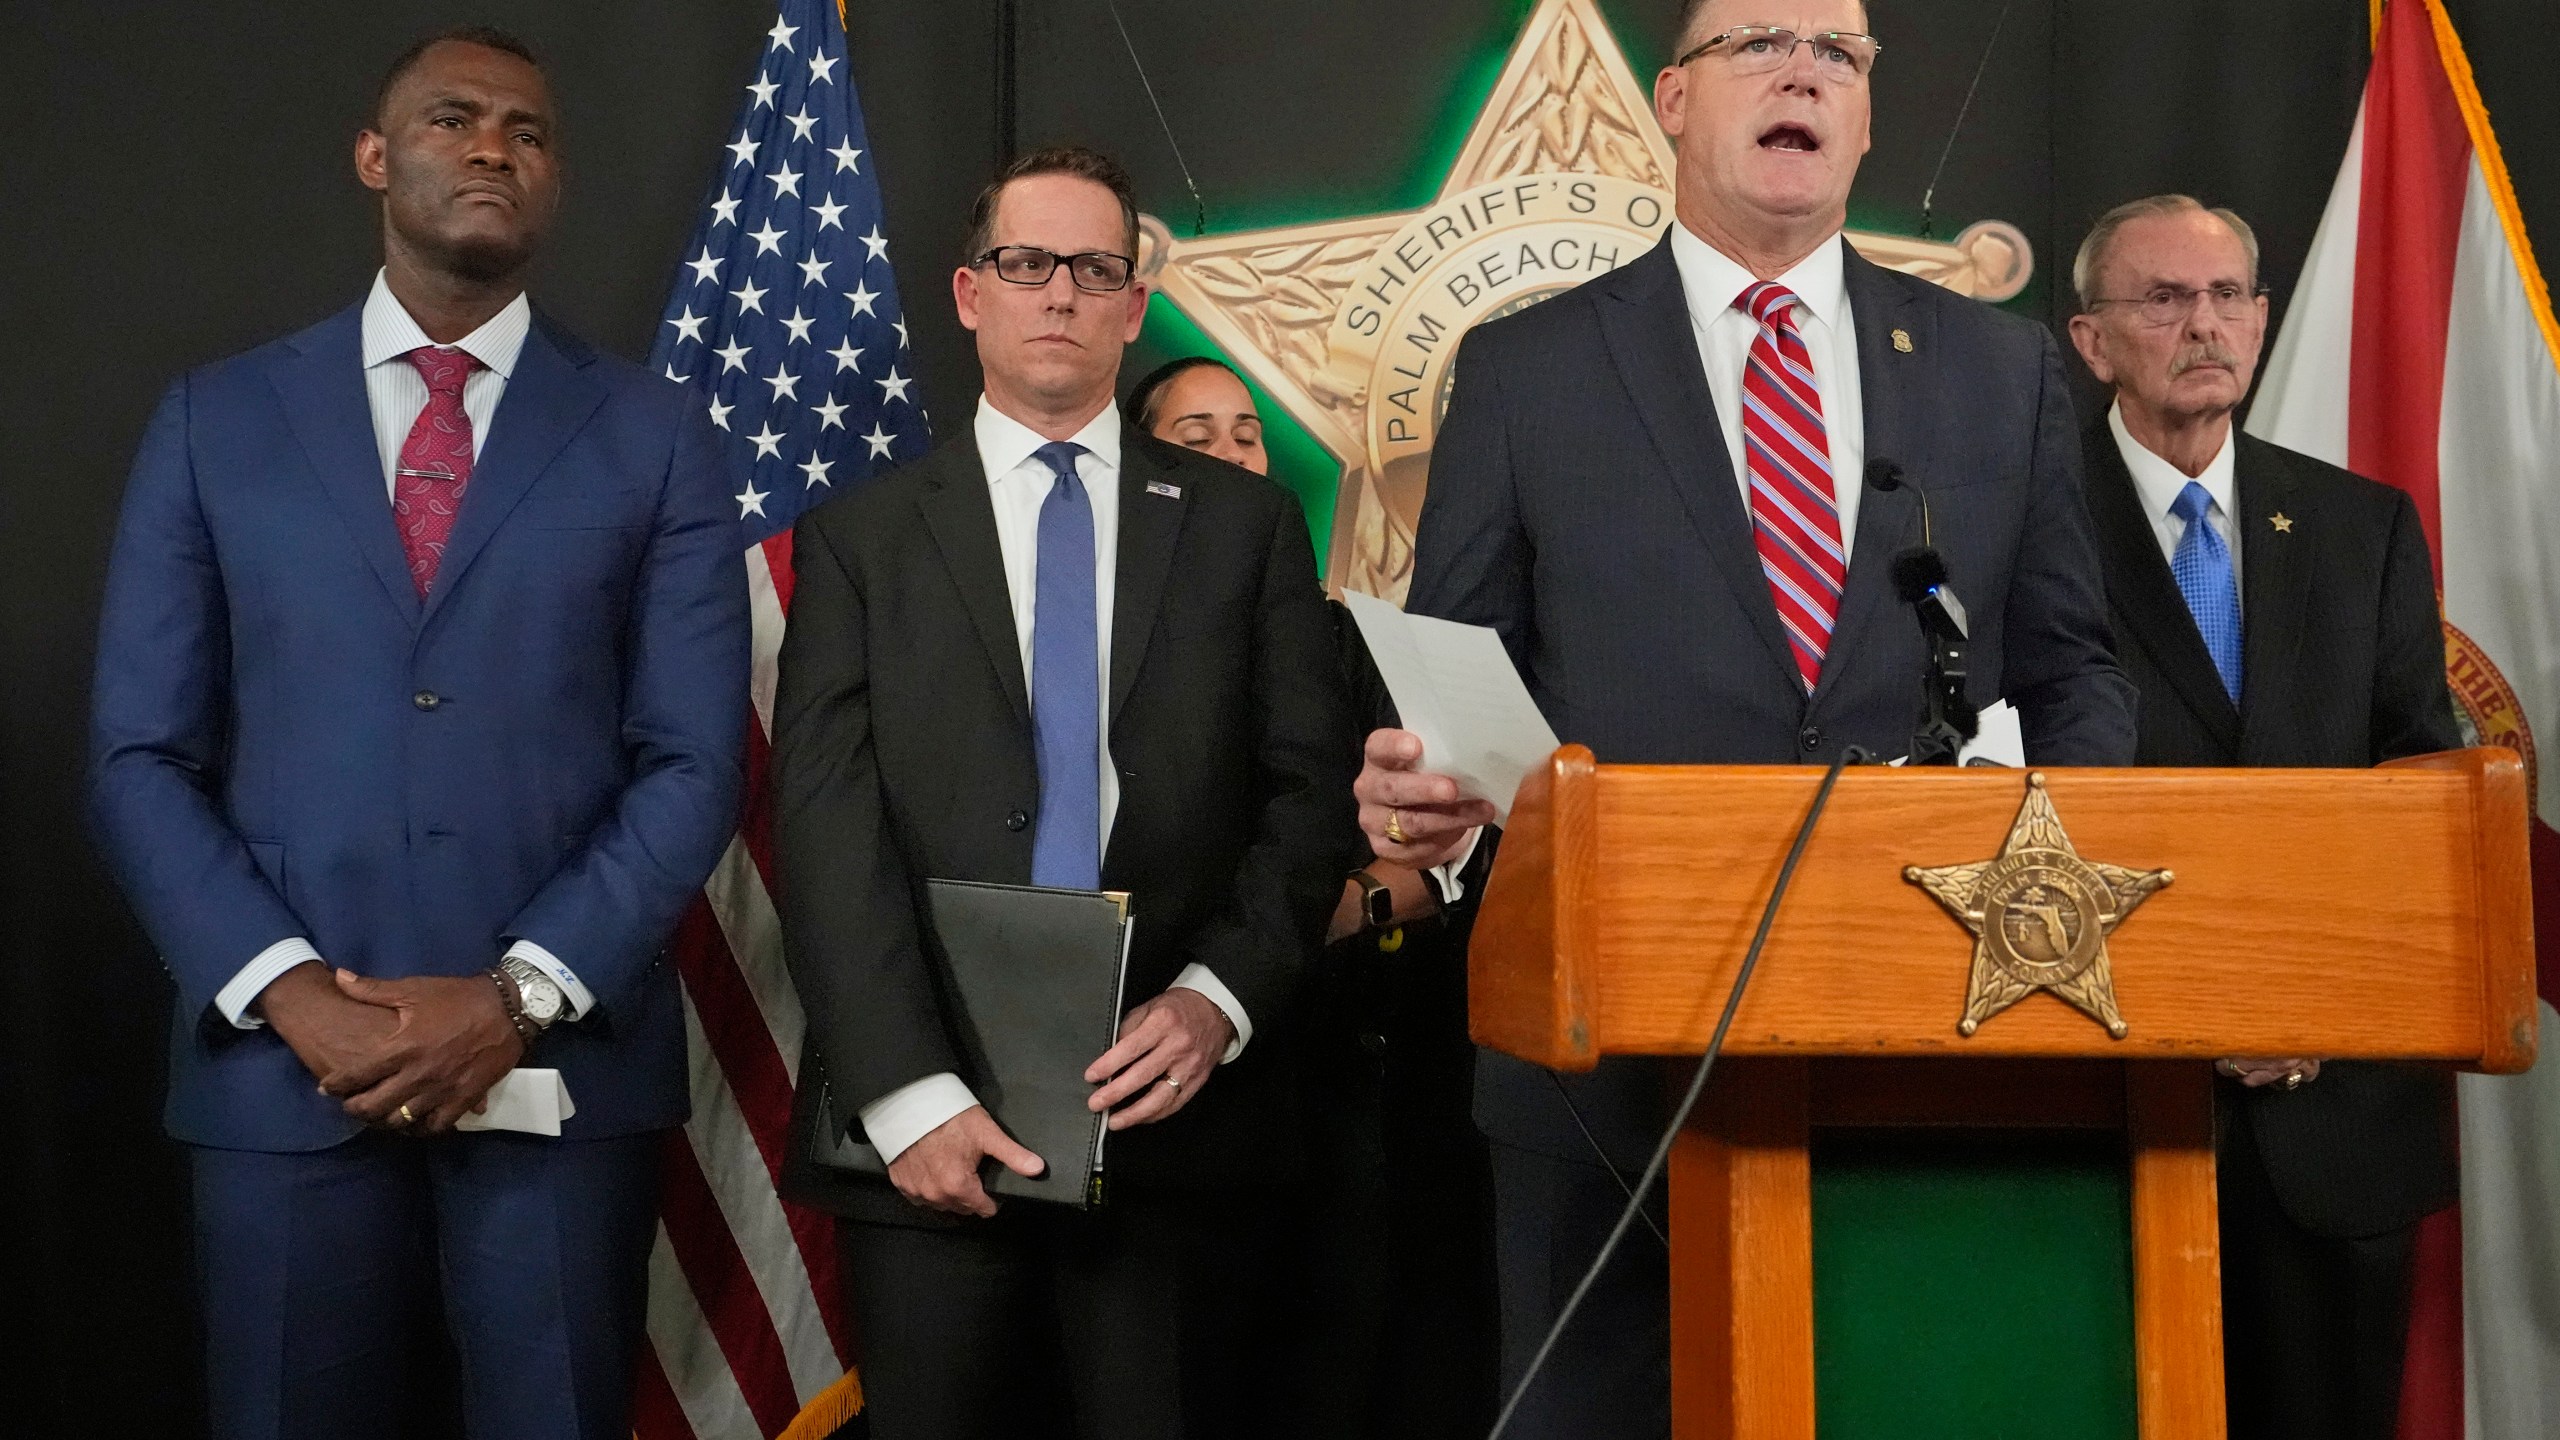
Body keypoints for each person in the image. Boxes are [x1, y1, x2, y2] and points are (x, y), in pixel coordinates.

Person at [1353, 1, 2139, 1433]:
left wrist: (2051, 869)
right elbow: (1463, 679)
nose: (1803, 71)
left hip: (1914, 1033)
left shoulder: (1998, 368)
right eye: (1761, 42)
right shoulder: (1529, 368)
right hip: (1604, 1059)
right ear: (1672, 97)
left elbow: (2077, 672)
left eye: (1838, 53)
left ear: (1867, 117)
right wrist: (1436, 802)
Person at [87, 28, 750, 1440]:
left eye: (529, 130)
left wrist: (511, 1000)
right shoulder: (216, 422)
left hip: (555, 1078)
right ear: (377, 159)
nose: (495, 147)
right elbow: (140, 755)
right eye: (455, 119)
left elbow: (692, 761)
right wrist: (293, 998)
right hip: (278, 1078)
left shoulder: (657, 435)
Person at [771, 147, 1356, 1440]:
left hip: (1175, 1124)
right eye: (1029, 264)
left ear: (1136, 305)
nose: (1062, 295)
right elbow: (822, 824)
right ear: (972, 293)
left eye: (1097, 270)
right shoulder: (860, 538)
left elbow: (1310, 797)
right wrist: (907, 1094)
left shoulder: (1245, 526)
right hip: (923, 1130)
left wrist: (1217, 1006)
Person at [2065, 194, 2459, 1440]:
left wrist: (2308, 1004)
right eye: (2164, 298)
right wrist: (2187, 1013)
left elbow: (2420, 797)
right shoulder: (2026, 525)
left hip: (2329, 1116)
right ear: (2090, 339)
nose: (2204, 324)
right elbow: (2003, 800)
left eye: (2229, 295)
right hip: (2109, 1113)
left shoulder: (2361, 525)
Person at [1129, 354, 1500, 1437]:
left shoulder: (1356, 638)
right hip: (1162, 1090)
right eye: (1195, 434)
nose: (1234, 450)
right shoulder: (1108, 647)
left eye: (1245, 431)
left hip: (1348, 1075)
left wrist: (1347, 908)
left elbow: (1443, 851)